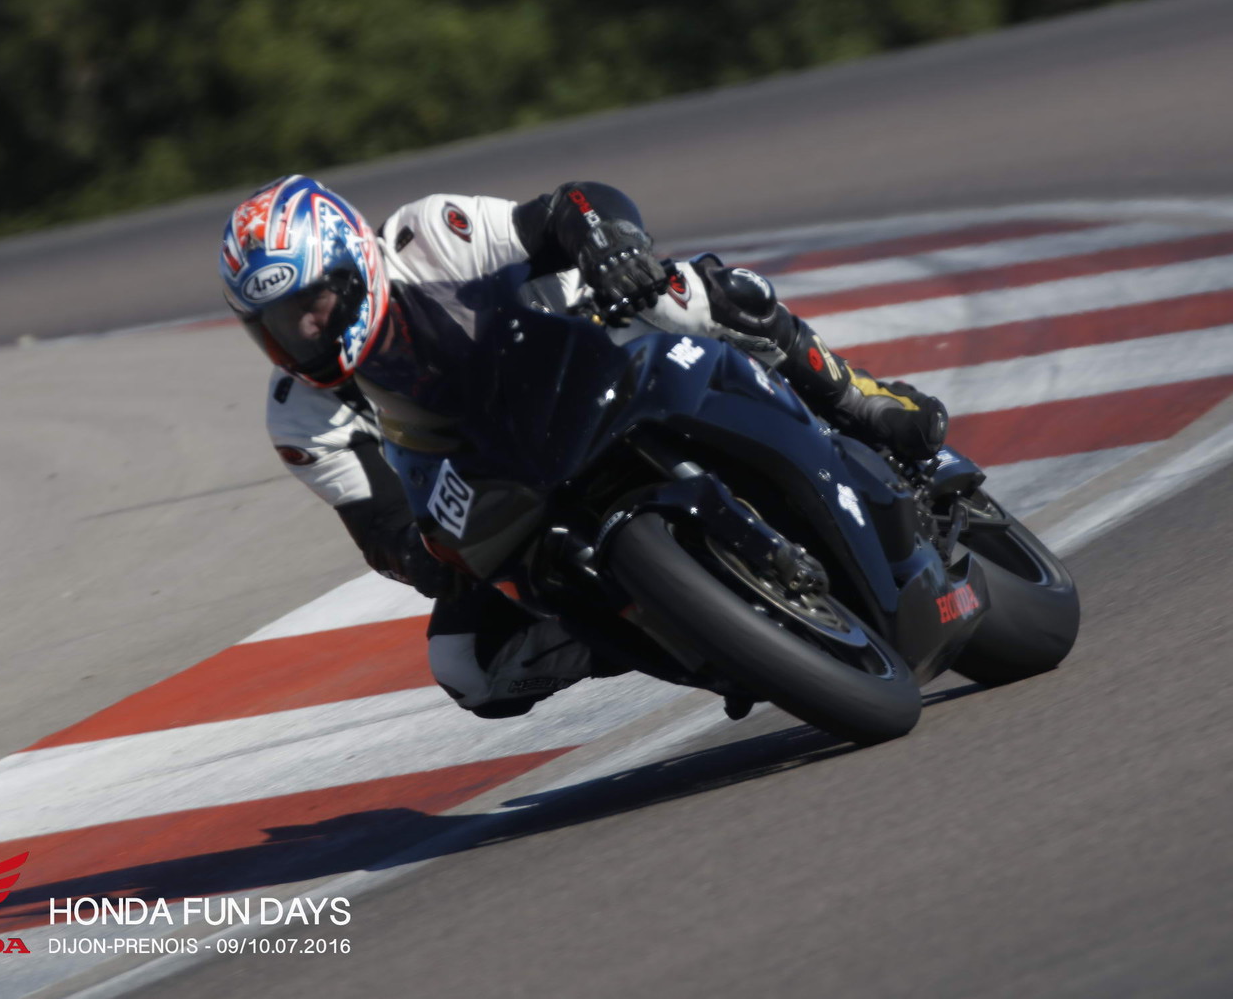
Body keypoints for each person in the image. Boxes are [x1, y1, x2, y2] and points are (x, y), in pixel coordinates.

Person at [221, 175, 946, 717]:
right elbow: (380, 525)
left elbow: (569, 206)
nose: (303, 333)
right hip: (505, 485)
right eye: (276, 324)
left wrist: (608, 244)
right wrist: (424, 556)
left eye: (312, 304)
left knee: (682, 293)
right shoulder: (299, 416)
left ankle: (858, 398)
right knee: (466, 666)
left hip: (593, 361)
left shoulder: (428, 235)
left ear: (353, 262)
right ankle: (674, 628)